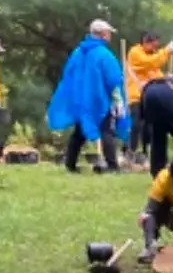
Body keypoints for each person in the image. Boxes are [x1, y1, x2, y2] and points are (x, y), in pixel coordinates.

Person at [48, 19, 129, 173]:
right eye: (109, 33)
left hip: (81, 101)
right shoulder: (104, 54)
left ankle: (70, 164)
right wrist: (118, 101)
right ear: (103, 34)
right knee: (107, 130)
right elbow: (112, 80)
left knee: (80, 131)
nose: (110, 35)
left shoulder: (78, 52)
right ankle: (112, 166)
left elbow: (69, 76)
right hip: (100, 100)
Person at [126, 32, 173, 160]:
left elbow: (155, 74)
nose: (155, 49)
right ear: (145, 42)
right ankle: (131, 152)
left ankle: (149, 153)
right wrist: (166, 51)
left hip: (149, 96)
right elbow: (150, 63)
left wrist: (166, 78)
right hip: (136, 95)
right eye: (153, 46)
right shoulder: (135, 52)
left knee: (150, 126)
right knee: (136, 124)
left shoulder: (151, 55)